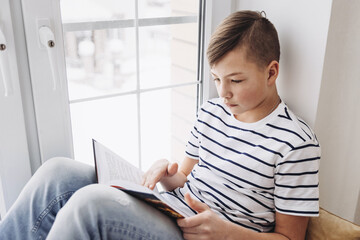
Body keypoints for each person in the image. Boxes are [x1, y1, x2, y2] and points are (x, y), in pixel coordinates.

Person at [0, 10, 320, 240]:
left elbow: (290, 239)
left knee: (90, 207)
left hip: (208, 236)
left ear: (271, 72)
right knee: (59, 173)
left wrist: (227, 234)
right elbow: (183, 178)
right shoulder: (211, 112)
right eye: (217, 79)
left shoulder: (295, 143)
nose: (223, 92)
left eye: (235, 80)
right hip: (173, 212)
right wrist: (166, 174)